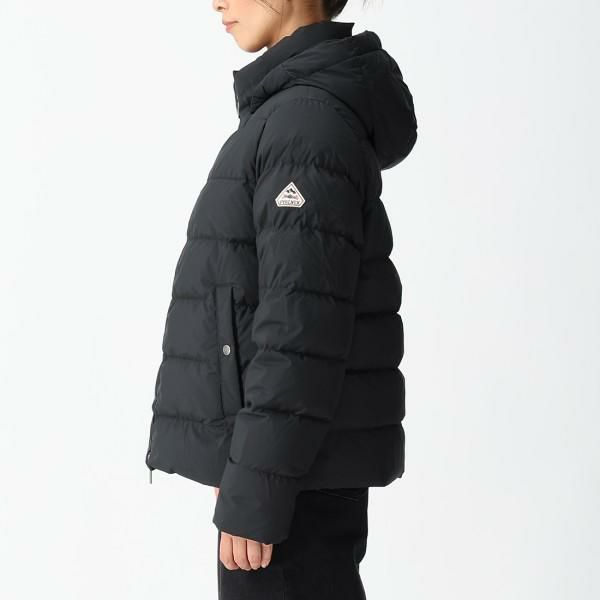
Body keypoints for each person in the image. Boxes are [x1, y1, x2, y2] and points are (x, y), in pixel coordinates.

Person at [144, 0, 417, 597]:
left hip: (291, 484)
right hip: (290, 472)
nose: (216, 2)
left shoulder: (304, 125)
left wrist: (257, 487)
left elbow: (301, 328)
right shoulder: (292, 114)